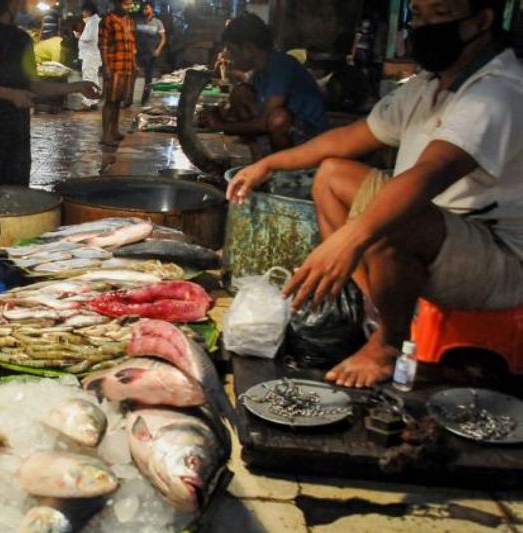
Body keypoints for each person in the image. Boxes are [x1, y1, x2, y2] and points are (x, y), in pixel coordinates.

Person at [226, 0, 523, 389]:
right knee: (332, 176)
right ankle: (374, 307)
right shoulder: (428, 85)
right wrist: (269, 164)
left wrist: (351, 239)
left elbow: (430, 174)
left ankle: (387, 343)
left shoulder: (498, 92)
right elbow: (349, 138)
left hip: (497, 256)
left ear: (482, 20)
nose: (424, 25)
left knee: (391, 215)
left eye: (440, 15)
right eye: (418, 15)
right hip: (439, 231)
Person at [0, 0, 99, 187]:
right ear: (12, 4)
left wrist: (76, 87)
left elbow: (33, 85)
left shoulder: (14, 38)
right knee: (0, 190)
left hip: (9, 130)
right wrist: (12, 95)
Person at [200, 13, 329, 154]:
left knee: (277, 119)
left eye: (231, 50)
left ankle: (286, 169)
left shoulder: (281, 65)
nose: (229, 56)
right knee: (240, 93)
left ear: (248, 48)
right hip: (289, 133)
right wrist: (218, 114)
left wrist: (221, 125)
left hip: (312, 138)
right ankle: (261, 159)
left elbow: (265, 122)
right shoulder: (259, 73)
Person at [99, 0, 137, 146]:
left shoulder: (129, 20)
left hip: (126, 66)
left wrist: (134, 64)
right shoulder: (107, 20)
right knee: (110, 101)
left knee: (118, 100)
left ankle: (114, 130)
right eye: (125, 4)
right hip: (113, 66)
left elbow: (132, 44)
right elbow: (103, 45)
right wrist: (106, 67)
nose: (128, 7)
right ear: (117, 4)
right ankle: (105, 135)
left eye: (130, 5)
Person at [134, 1, 166, 104]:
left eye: (146, 8)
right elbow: (134, 37)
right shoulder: (138, 22)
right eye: (143, 9)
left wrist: (158, 50)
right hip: (138, 52)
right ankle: (128, 99)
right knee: (133, 75)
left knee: (148, 78)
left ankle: (145, 99)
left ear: (152, 9)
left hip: (150, 53)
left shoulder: (158, 22)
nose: (145, 11)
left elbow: (163, 38)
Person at [78, 1, 103, 110]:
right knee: (93, 78)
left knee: (88, 77)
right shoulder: (94, 21)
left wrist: (79, 36)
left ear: (88, 11)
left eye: (83, 11)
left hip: (90, 55)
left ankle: (87, 102)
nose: (82, 13)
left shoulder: (93, 22)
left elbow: (89, 37)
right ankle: (94, 101)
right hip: (92, 54)